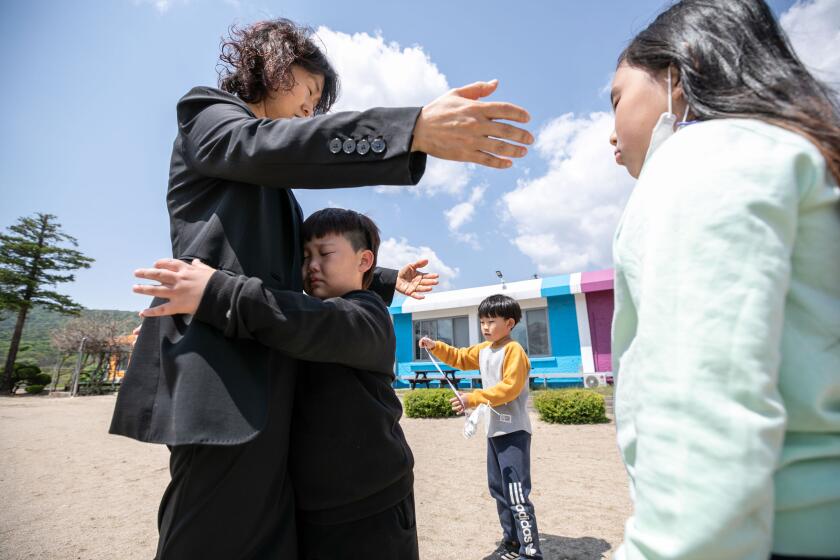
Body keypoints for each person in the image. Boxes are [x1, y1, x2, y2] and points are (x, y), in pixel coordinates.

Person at [109, 17, 534, 559]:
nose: (311, 111)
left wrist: (379, 277)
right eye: (309, 92)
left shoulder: (274, 183)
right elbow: (263, 146)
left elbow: (292, 269)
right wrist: (411, 129)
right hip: (222, 374)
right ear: (273, 64)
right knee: (212, 536)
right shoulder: (208, 115)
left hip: (270, 374)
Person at [607, 0, 840, 558]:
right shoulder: (794, 155)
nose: (610, 133)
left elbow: (705, 409)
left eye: (615, 100)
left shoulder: (701, 159)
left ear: (675, 77)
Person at [134, 208, 420, 559]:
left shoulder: (368, 315)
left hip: (373, 502)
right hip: (310, 506)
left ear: (364, 260)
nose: (311, 266)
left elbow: (306, 322)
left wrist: (216, 291)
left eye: (325, 254)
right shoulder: (307, 314)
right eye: (304, 257)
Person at [419, 294, 542, 560]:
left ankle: (530, 552)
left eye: (491, 321)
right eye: (482, 321)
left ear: (509, 323)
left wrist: (472, 398)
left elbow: (509, 389)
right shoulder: (485, 349)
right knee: (498, 490)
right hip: (494, 432)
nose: (485, 327)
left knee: (516, 492)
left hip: (514, 433)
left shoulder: (514, 351)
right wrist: (435, 346)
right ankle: (510, 543)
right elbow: (460, 357)